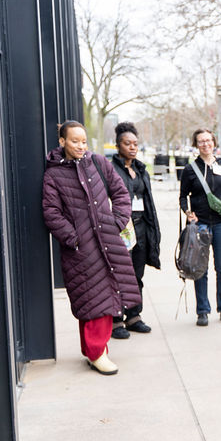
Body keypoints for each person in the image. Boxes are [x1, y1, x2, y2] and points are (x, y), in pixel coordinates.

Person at [42, 120, 141, 375]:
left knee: (105, 295)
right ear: (62, 141)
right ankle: (96, 351)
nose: (80, 146)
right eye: (74, 141)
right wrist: (73, 238)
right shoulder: (53, 174)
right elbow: (51, 212)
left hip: (107, 241)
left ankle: (96, 350)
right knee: (90, 298)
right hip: (80, 248)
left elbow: (120, 193)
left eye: (83, 141)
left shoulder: (98, 162)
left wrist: (117, 221)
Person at [179, 128, 221, 327]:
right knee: (200, 268)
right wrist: (187, 212)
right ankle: (202, 311)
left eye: (208, 140)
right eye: (201, 141)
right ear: (196, 144)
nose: (205, 144)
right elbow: (183, 196)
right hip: (200, 225)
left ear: (214, 142)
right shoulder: (191, 169)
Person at [109, 121, 161, 338]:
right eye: (127, 143)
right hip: (121, 229)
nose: (132, 147)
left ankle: (133, 316)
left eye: (135, 144)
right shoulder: (110, 169)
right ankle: (115, 320)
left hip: (141, 227)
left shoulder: (140, 169)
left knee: (136, 274)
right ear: (118, 145)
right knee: (118, 275)